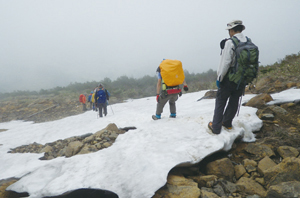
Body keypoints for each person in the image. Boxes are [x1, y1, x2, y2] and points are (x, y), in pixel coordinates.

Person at [208, 20, 248, 134]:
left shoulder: (230, 42)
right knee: (234, 100)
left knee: (221, 101)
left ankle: (215, 127)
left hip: (229, 79)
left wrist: (219, 78)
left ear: (232, 30)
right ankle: (227, 123)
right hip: (241, 79)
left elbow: (225, 63)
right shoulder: (247, 41)